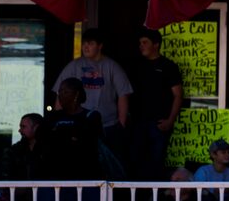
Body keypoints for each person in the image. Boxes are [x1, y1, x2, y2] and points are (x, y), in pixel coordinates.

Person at [53, 27, 133, 168]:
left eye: (90, 43)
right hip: (79, 126)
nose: (86, 46)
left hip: (108, 126)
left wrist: (121, 124)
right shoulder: (74, 66)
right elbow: (60, 94)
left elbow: (123, 95)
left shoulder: (112, 66)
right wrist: (57, 120)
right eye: (84, 43)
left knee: (111, 166)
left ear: (100, 46)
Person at [131, 27, 184, 181]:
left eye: (145, 42)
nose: (141, 45)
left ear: (156, 44)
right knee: (136, 161)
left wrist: (170, 120)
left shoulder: (168, 66)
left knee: (156, 163)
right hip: (138, 122)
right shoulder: (136, 65)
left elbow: (178, 95)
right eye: (140, 43)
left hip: (159, 123)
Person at [0, 113, 42, 181]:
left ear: (36, 128)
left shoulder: (48, 150)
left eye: (23, 127)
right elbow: (4, 174)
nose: (20, 130)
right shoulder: (13, 151)